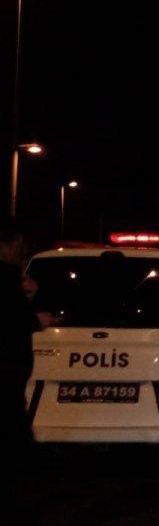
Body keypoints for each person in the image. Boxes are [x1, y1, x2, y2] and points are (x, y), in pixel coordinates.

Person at [0, 220, 39, 518]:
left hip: (12, 374)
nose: (21, 254)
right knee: (13, 437)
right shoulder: (6, 278)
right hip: (6, 373)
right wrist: (36, 319)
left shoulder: (12, 279)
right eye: (20, 248)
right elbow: (12, 320)